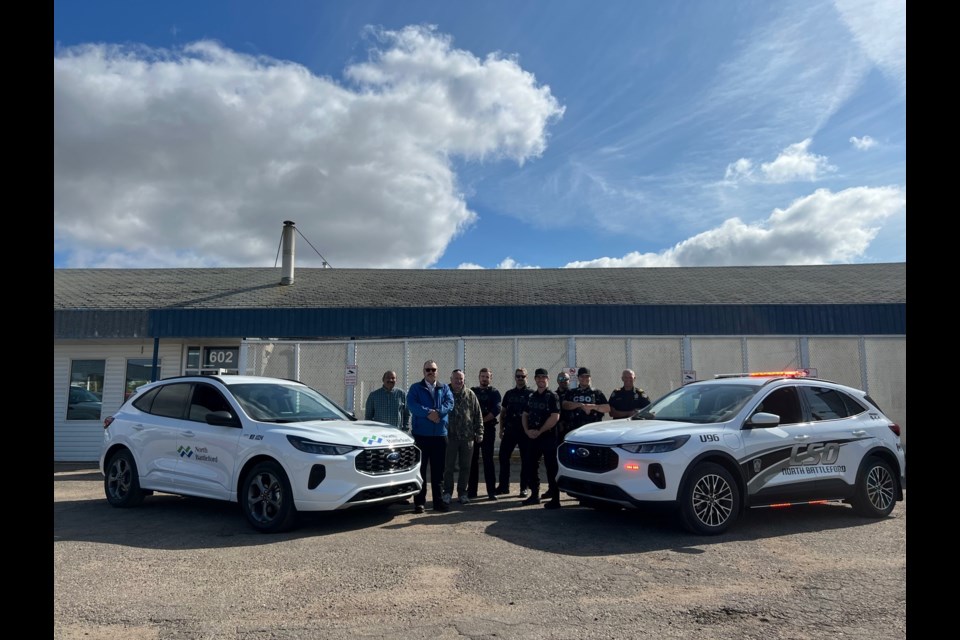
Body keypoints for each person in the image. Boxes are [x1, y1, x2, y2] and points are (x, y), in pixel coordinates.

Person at [407, 360, 455, 513]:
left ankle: (438, 502)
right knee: (420, 471)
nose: (430, 372)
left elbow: (450, 403)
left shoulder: (444, 387)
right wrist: (429, 413)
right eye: (428, 369)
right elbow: (412, 405)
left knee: (438, 471)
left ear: (437, 371)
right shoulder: (415, 388)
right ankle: (419, 503)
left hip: (440, 436)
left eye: (433, 369)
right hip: (421, 436)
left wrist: (438, 413)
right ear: (423, 371)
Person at [521, 368, 561, 509]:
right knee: (531, 465)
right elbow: (525, 414)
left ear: (547, 379)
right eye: (538, 377)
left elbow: (555, 416)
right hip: (532, 437)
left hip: (548, 437)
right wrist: (527, 431)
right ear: (535, 379)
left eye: (543, 377)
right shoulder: (532, 396)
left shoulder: (552, 396)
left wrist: (540, 430)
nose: (541, 380)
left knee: (552, 468)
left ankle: (555, 499)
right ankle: (534, 495)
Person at [442, 369, 484, 505]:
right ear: (451, 379)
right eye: (456, 379)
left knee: (465, 467)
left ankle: (462, 493)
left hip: (467, 437)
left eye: (461, 379)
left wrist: (480, 432)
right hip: (450, 437)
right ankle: (447, 492)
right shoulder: (444, 393)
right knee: (448, 467)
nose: (458, 381)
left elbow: (478, 414)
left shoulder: (470, 394)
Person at [495, 367, 534, 497]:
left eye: (523, 376)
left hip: (525, 432)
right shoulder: (509, 393)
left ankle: (524, 487)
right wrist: (501, 429)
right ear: (515, 377)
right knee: (503, 457)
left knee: (526, 460)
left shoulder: (532, 394)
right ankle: (503, 486)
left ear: (526, 377)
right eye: (518, 376)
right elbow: (503, 412)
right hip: (510, 430)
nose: (520, 378)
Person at [467, 367, 502, 501]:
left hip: (488, 431)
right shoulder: (472, 391)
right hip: (473, 431)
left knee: (488, 461)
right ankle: (471, 491)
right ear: (479, 377)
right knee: (472, 461)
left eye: (487, 377)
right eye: (482, 376)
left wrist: (481, 421)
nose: (484, 379)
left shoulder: (494, 393)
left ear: (490, 378)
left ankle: (491, 491)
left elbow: (496, 409)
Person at [561, 367, 610, 435]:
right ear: (578, 377)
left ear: (590, 378)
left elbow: (607, 408)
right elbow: (564, 405)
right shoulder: (571, 392)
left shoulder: (597, 392)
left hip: (594, 430)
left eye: (587, 376)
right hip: (574, 429)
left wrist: (592, 407)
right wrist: (580, 405)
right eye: (582, 376)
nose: (584, 379)